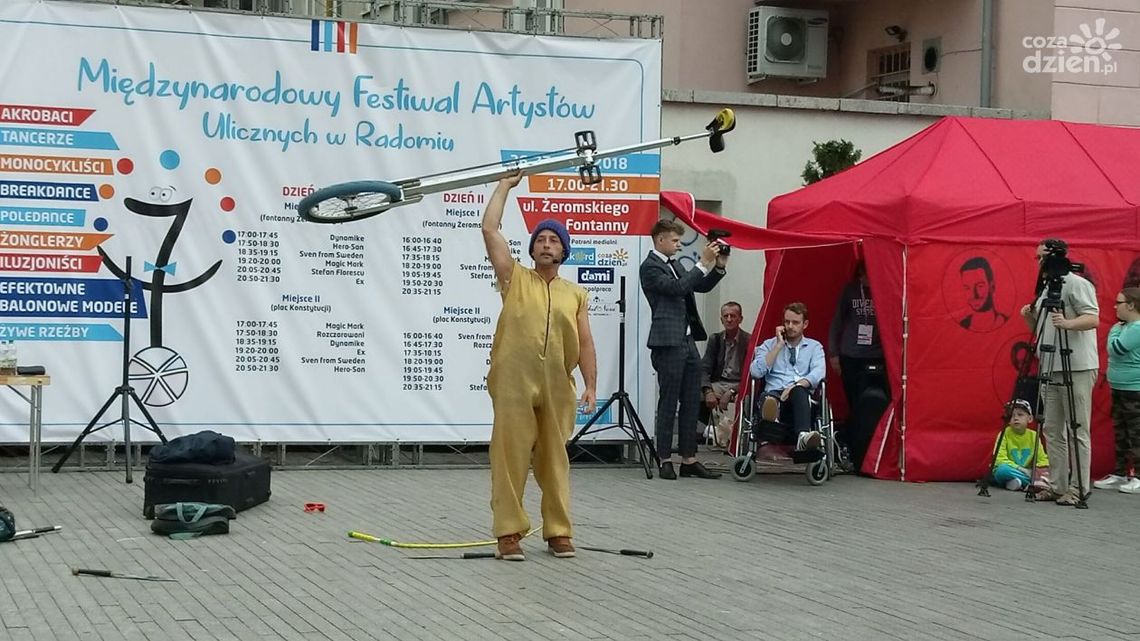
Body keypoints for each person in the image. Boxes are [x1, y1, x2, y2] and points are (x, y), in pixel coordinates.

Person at [481, 172, 597, 561]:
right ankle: (508, 534)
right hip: (514, 382)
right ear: (532, 250)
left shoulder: (576, 293)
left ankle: (558, 532)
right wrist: (503, 187)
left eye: (554, 241)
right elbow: (490, 228)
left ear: (564, 252)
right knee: (510, 456)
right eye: (541, 240)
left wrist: (590, 385)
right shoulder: (515, 278)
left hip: (556, 385)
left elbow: (584, 343)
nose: (547, 245)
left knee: (554, 459)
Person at [640, 220, 727, 480]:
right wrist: (702, 261)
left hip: (687, 340)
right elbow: (677, 288)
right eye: (675, 241)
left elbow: (697, 285)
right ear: (660, 240)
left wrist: (718, 267)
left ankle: (689, 458)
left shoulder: (674, 264)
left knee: (692, 400)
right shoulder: (651, 267)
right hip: (667, 341)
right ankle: (664, 458)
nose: (679, 246)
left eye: (679, 241)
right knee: (669, 401)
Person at [1019, 239, 1099, 506]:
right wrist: (1029, 315)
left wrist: (1067, 323)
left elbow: (1092, 318)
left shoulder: (1077, 283)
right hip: (1050, 364)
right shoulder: (1047, 287)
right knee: (1052, 428)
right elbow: (1042, 326)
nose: (1038, 262)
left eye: (1041, 256)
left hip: (1077, 365)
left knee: (1077, 428)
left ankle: (1079, 487)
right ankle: (1057, 484)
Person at [749, 302, 826, 451]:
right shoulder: (768, 345)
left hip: (800, 396)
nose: (790, 326)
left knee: (798, 391)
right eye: (787, 322)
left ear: (805, 324)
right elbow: (756, 372)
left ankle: (802, 436)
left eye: (795, 322)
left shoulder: (814, 347)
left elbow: (818, 372)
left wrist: (796, 386)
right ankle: (772, 417)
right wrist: (778, 345)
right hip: (774, 392)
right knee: (769, 398)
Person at [1094, 287, 1140, 494]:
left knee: (1136, 433)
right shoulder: (1122, 327)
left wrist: (1114, 332)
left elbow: (1117, 349)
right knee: (1121, 432)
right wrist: (1116, 332)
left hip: (1135, 389)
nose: (1115, 307)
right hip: (1118, 387)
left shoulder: (1137, 327)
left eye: (1119, 303)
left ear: (1131, 305)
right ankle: (1120, 473)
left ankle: (1138, 476)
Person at [828, 261, 886, 418]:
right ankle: (856, 429)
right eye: (860, 276)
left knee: (874, 398)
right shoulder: (850, 290)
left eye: (865, 276)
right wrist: (833, 353)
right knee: (853, 396)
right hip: (851, 353)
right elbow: (837, 321)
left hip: (876, 353)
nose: (863, 279)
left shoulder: (884, 289)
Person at [699, 301, 751, 428]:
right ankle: (703, 431)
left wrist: (731, 392)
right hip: (719, 382)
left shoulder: (748, 340)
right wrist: (708, 391)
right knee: (695, 394)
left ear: (740, 319)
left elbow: (751, 374)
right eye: (725, 316)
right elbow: (704, 368)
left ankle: (737, 436)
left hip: (740, 384)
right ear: (721, 319)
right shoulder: (715, 339)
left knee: (749, 399)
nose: (729, 319)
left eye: (733, 316)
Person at [991, 399, 1050, 492]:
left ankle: (1017, 483)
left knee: (1050, 472)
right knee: (1002, 470)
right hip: (1012, 470)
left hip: (1026, 472)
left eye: (1020, 414)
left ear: (1030, 419)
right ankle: (1031, 483)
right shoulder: (1004, 434)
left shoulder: (1034, 436)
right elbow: (999, 459)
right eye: (1012, 415)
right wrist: (1021, 469)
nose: (1015, 418)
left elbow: (1042, 459)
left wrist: (1041, 471)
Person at [958, 256, 1009, 332]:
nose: (973, 295)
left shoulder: (1008, 324)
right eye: (967, 288)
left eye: (980, 286)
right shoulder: (962, 325)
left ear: (992, 286)